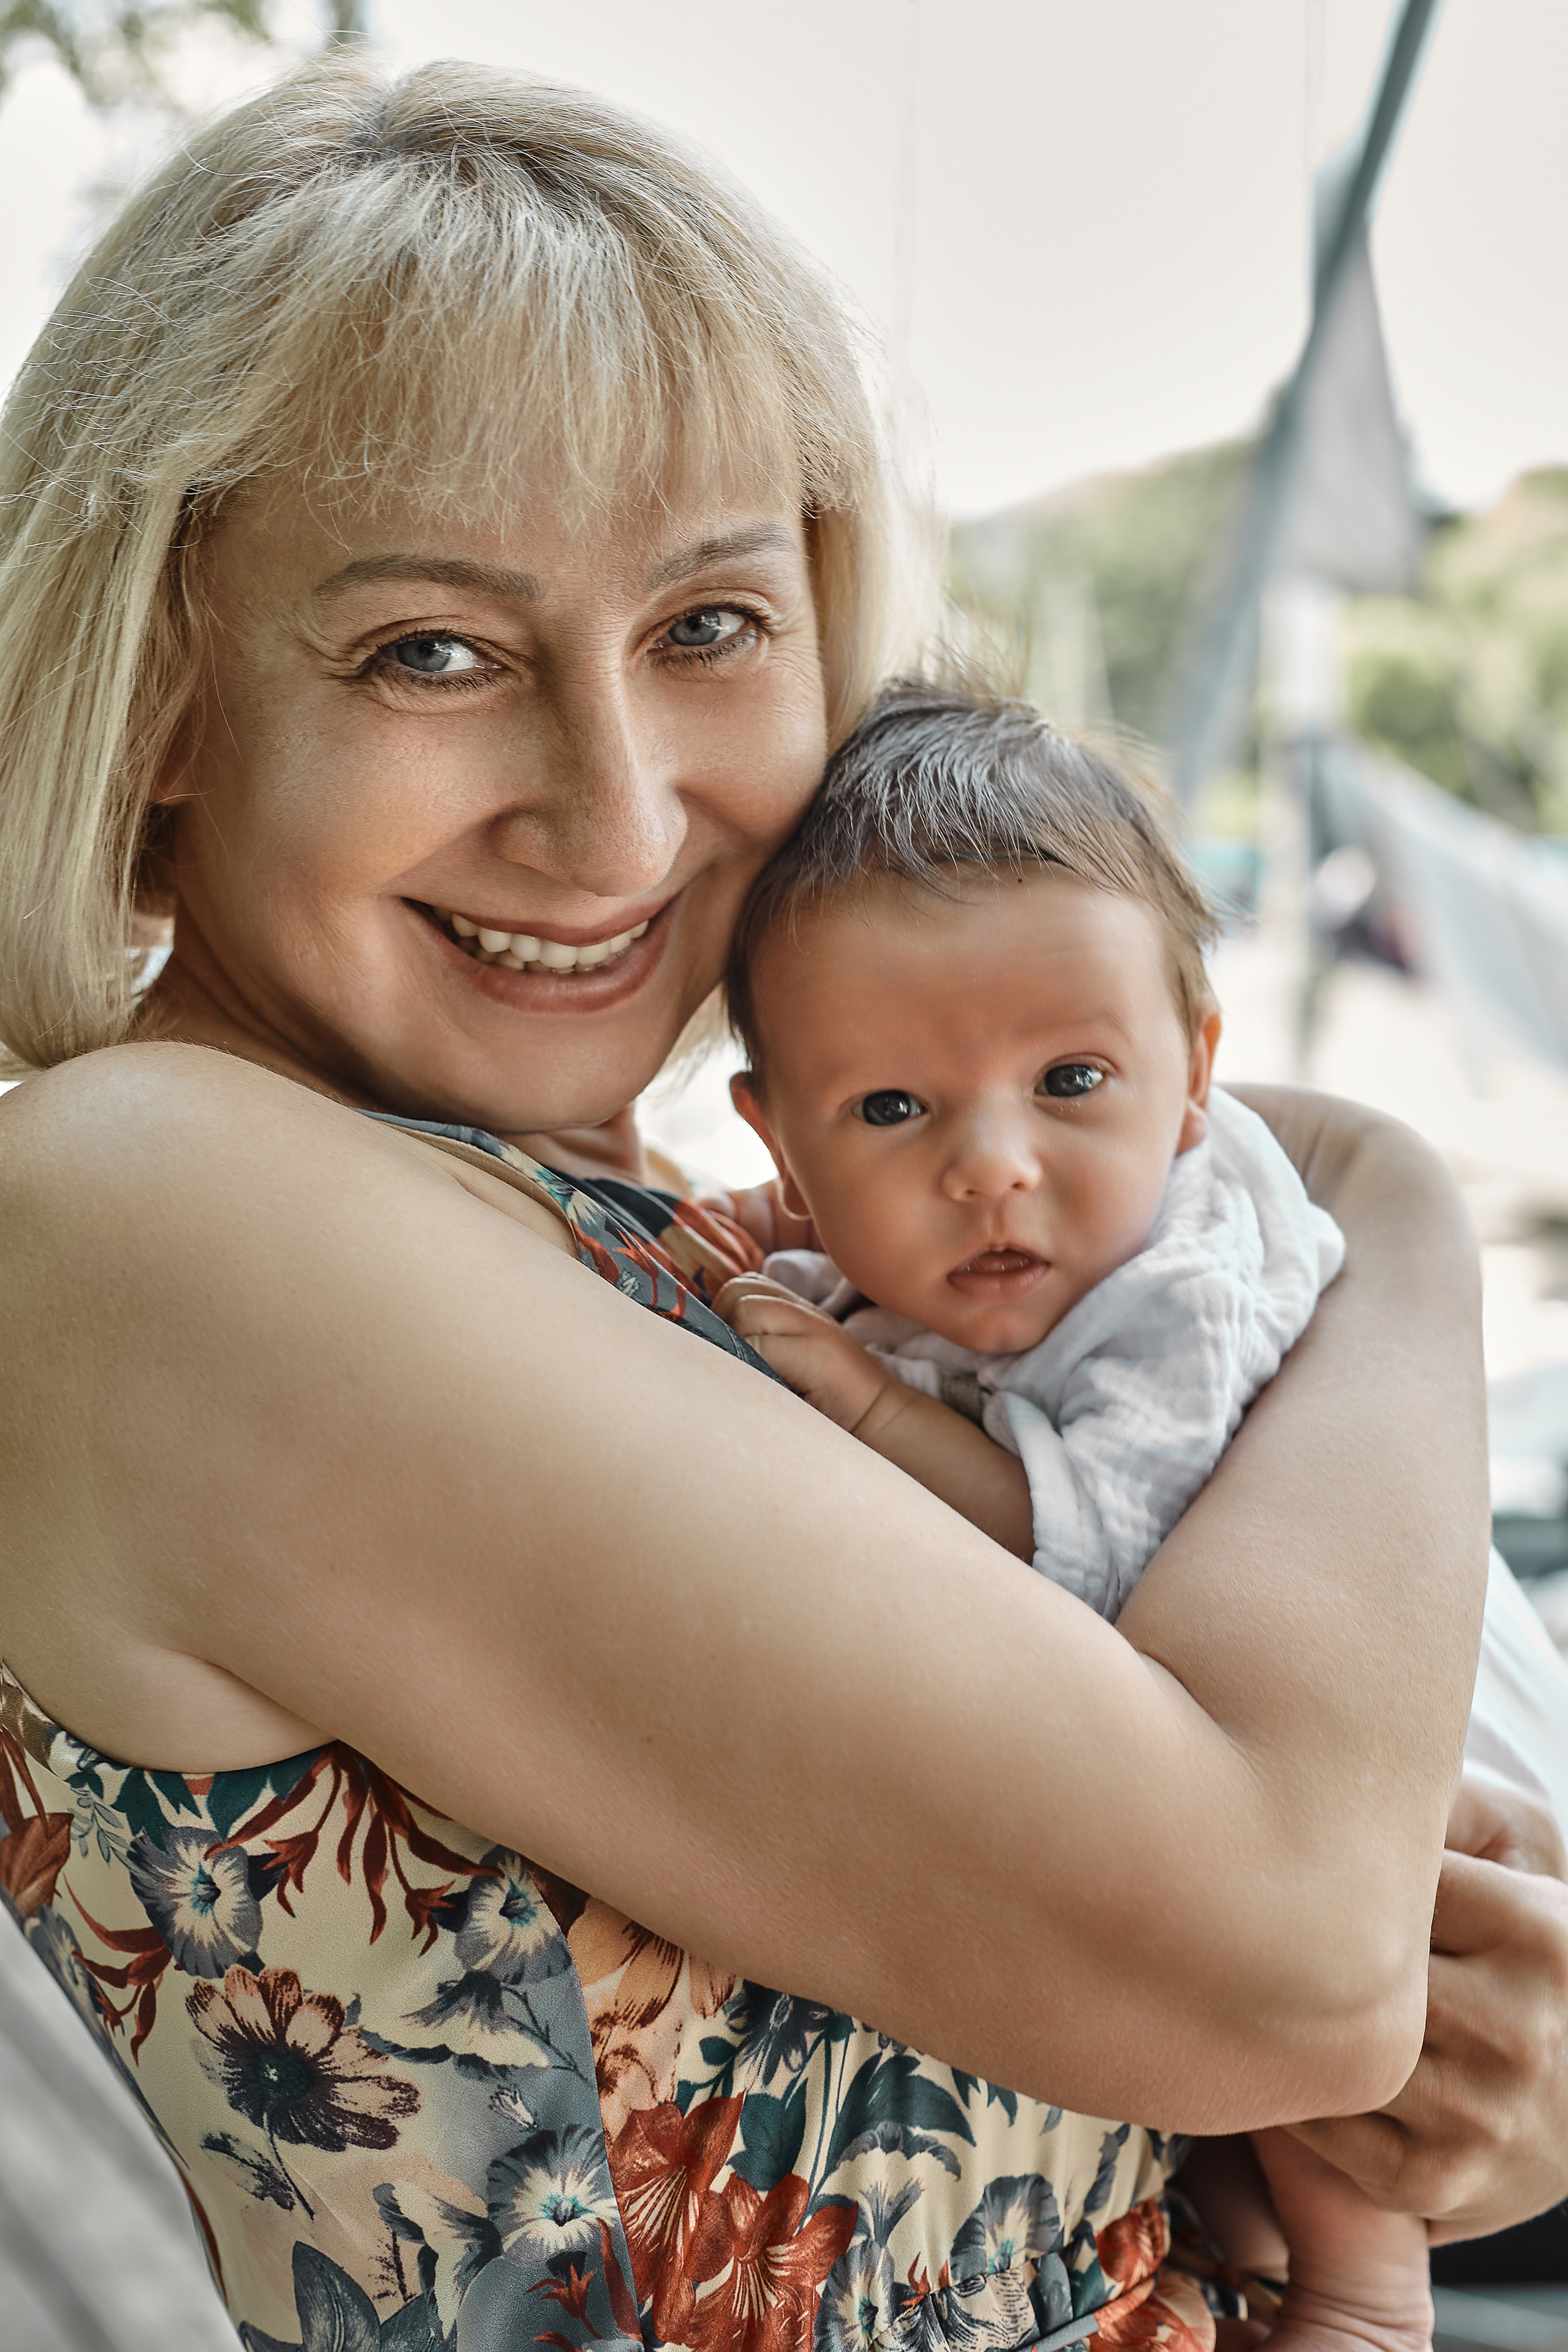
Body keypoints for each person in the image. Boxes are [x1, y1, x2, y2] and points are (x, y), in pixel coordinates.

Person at [0, 50, 1553, 2352]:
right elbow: (1284, 1952)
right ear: (156, 707)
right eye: (432, 653)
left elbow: (1232, 2016)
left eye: (710, 626)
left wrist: (1457, 2094)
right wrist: (1383, 1205)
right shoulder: (149, 1209)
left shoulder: (646, 1230)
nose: (620, 816)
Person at [715, 683, 1347, 1611]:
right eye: (890, 1107)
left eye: (1070, 1081)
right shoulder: (965, 1239)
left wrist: (872, 1407)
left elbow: (1101, 1564)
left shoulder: (1182, 1303)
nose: (992, 1169)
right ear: (781, 1149)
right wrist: (754, 1229)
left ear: (1193, 1080)